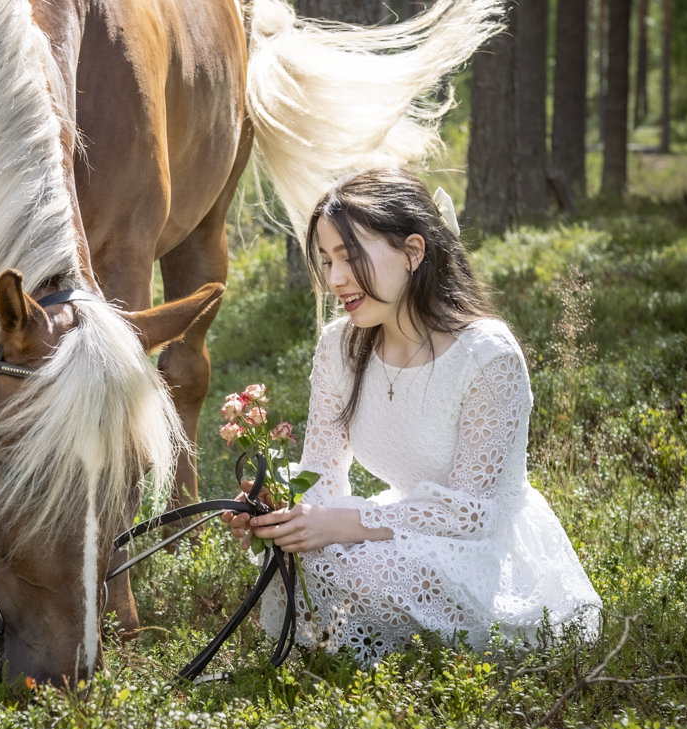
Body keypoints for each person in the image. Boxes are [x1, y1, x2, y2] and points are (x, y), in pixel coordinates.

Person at [224, 168, 601, 662]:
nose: (335, 279)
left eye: (350, 256)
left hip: (481, 548)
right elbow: (322, 473)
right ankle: (344, 647)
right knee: (298, 551)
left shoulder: (486, 356)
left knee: (365, 570)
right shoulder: (339, 346)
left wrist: (340, 524)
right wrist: (279, 507)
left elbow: (469, 515)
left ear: (413, 252)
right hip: (396, 524)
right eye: (328, 260)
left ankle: (366, 651)